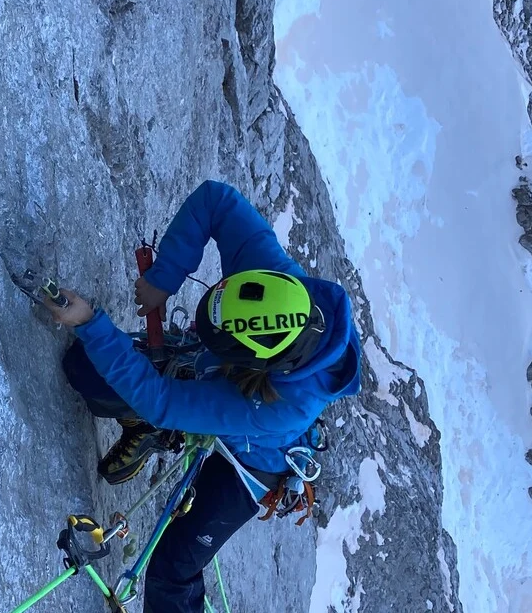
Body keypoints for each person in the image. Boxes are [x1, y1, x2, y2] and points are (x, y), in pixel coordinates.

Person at [45, 180, 362, 613]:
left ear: (257, 364)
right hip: (212, 379)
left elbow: (162, 401)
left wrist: (92, 322)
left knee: (171, 572)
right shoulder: (277, 285)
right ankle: (146, 430)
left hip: (256, 465)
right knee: (85, 368)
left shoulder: (276, 407)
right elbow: (217, 201)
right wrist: (164, 277)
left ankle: (158, 428)